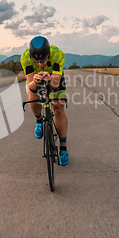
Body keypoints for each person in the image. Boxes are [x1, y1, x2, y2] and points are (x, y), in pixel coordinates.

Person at [20, 36, 69, 166]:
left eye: (43, 59)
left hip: (53, 77)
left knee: (58, 107)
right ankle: (39, 120)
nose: (40, 63)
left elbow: (56, 84)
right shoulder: (25, 57)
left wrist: (50, 79)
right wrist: (36, 82)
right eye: (36, 59)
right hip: (34, 80)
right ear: (31, 56)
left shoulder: (58, 54)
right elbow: (31, 86)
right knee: (32, 96)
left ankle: (63, 149)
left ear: (49, 54)